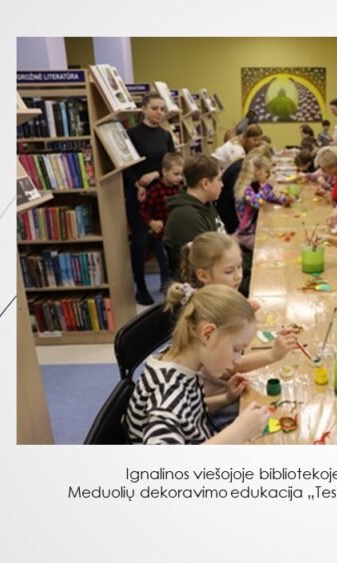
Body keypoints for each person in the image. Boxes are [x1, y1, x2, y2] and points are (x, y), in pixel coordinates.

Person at [171, 232, 300, 430]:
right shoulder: (206, 318)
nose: (239, 275)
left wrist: (241, 317)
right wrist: (272, 355)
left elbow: (195, 405)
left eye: (239, 266)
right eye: (229, 271)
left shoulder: (207, 303)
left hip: (217, 398)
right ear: (203, 275)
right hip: (213, 408)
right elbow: (232, 365)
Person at [124, 284, 270, 444]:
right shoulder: (167, 391)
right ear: (208, 334)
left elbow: (187, 411)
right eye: (236, 349)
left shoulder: (181, 358)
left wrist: (226, 398)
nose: (238, 360)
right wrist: (238, 432)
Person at [125, 93, 177, 305]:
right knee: (139, 241)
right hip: (138, 194)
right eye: (155, 108)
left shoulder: (165, 135)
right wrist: (138, 184)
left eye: (162, 109)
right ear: (143, 109)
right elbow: (125, 164)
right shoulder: (132, 134)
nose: (159, 112)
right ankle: (141, 287)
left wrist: (156, 174)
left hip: (161, 194)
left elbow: (173, 162)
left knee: (163, 240)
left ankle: (168, 286)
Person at [164, 154, 225, 280]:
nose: (222, 185)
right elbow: (204, 265)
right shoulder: (187, 217)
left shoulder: (206, 204)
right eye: (219, 180)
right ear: (205, 183)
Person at [137, 152, 183, 290]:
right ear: (164, 171)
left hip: (178, 234)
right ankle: (166, 292)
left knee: (179, 265)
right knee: (165, 267)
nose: (179, 178)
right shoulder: (155, 191)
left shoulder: (180, 187)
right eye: (176, 174)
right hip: (161, 236)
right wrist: (152, 222)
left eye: (181, 174)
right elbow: (143, 211)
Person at [234, 150, 291, 252]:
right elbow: (257, 201)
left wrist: (283, 199)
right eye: (267, 172)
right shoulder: (245, 189)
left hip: (256, 228)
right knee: (274, 247)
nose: (268, 175)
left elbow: (269, 196)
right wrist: (268, 185)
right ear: (257, 171)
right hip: (247, 234)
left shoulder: (256, 185)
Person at [216, 125, 265, 232]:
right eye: (254, 139)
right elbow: (257, 202)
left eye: (259, 140)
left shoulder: (242, 148)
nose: (257, 143)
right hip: (237, 226)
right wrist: (267, 185)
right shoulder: (238, 152)